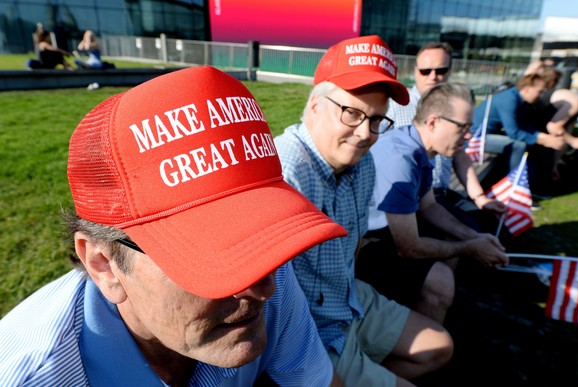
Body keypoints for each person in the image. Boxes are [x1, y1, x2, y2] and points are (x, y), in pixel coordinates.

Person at [0, 66, 348, 386]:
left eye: (260, 236)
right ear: (103, 265)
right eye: (212, 258)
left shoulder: (272, 278)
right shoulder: (34, 376)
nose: (263, 288)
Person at [275, 35, 454, 387]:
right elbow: (271, 307)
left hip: (350, 299)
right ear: (315, 106)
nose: (365, 133)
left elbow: (352, 249)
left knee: (439, 346)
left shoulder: (364, 164)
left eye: (376, 120)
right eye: (352, 113)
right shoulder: (285, 172)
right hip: (308, 328)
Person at [357, 83, 509, 324]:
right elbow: (409, 247)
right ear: (434, 122)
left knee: (454, 238)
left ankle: (421, 312)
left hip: (385, 230)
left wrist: (474, 238)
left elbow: (429, 206)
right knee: (440, 281)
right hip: (362, 244)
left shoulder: (415, 145)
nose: (469, 135)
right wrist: (471, 247)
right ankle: (417, 345)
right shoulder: (401, 159)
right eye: (463, 127)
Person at [385, 41, 506, 234]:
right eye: (426, 70)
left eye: (440, 70)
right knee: (470, 235)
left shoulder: (456, 106)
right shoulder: (396, 106)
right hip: (411, 197)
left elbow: (460, 156)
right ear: (416, 71)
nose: (433, 76)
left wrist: (480, 198)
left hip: (441, 192)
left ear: (449, 71)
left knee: (491, 226)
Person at [472, 73, 567, 197]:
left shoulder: (517, 98)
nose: (540, 96)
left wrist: (542, 137)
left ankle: (527, 184)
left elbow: (523, 126)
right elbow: (514, 132)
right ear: (527, 88)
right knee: (519, 145)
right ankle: (515, 187)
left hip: (488, 135)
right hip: (476, 138)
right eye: (539, 92)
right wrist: (542, 140)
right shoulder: (509, 100)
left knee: (527, 144)